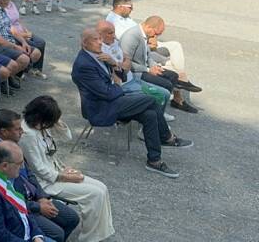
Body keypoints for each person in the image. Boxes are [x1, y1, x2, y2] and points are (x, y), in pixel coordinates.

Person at [72, 28, 192, 177]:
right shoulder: (84, 65)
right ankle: (167, 137)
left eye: (100, 39)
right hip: (101, 109)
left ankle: (154, 160)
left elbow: (121, 75)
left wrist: (115, 64)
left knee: (149, 114)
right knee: (150, 99)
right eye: (96, 40)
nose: (101, 42)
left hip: (113, 101)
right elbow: (108, 92)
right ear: (85, 43)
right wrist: (117, 84)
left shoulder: (100, 56)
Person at [19, 96, 115, 242]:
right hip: (47, 182)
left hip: (58, 170)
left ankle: (99, 233)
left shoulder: (41, 124)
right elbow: (38, 169)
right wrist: (64, 176)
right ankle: (90, 238)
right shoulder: (28, 135)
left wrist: (57, 122)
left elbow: (67, 138)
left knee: (102, 187)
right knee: (95, 194)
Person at [0, 111, 80, 242]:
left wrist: (42, 197)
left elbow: (29, 173)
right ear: (4, 131)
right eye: (18, 129)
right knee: (56, 233)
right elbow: (4, 197)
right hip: (19, 206)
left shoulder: (12, 142)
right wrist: (38, 207)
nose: (22, 132)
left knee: (71, 218)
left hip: (34, 196)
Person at [119, 15, 201, 114]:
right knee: (166, 84)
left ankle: (163, 107)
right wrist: (148, 70)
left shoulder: (144, 34)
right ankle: (158, 111)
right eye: (156, 34)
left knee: (173, 76)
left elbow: (147, 55)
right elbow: (126, 63)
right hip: (135, 72)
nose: (155, 37)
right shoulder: (131, 37)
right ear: (149, 27)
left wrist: (154, 65)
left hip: (145, 67)